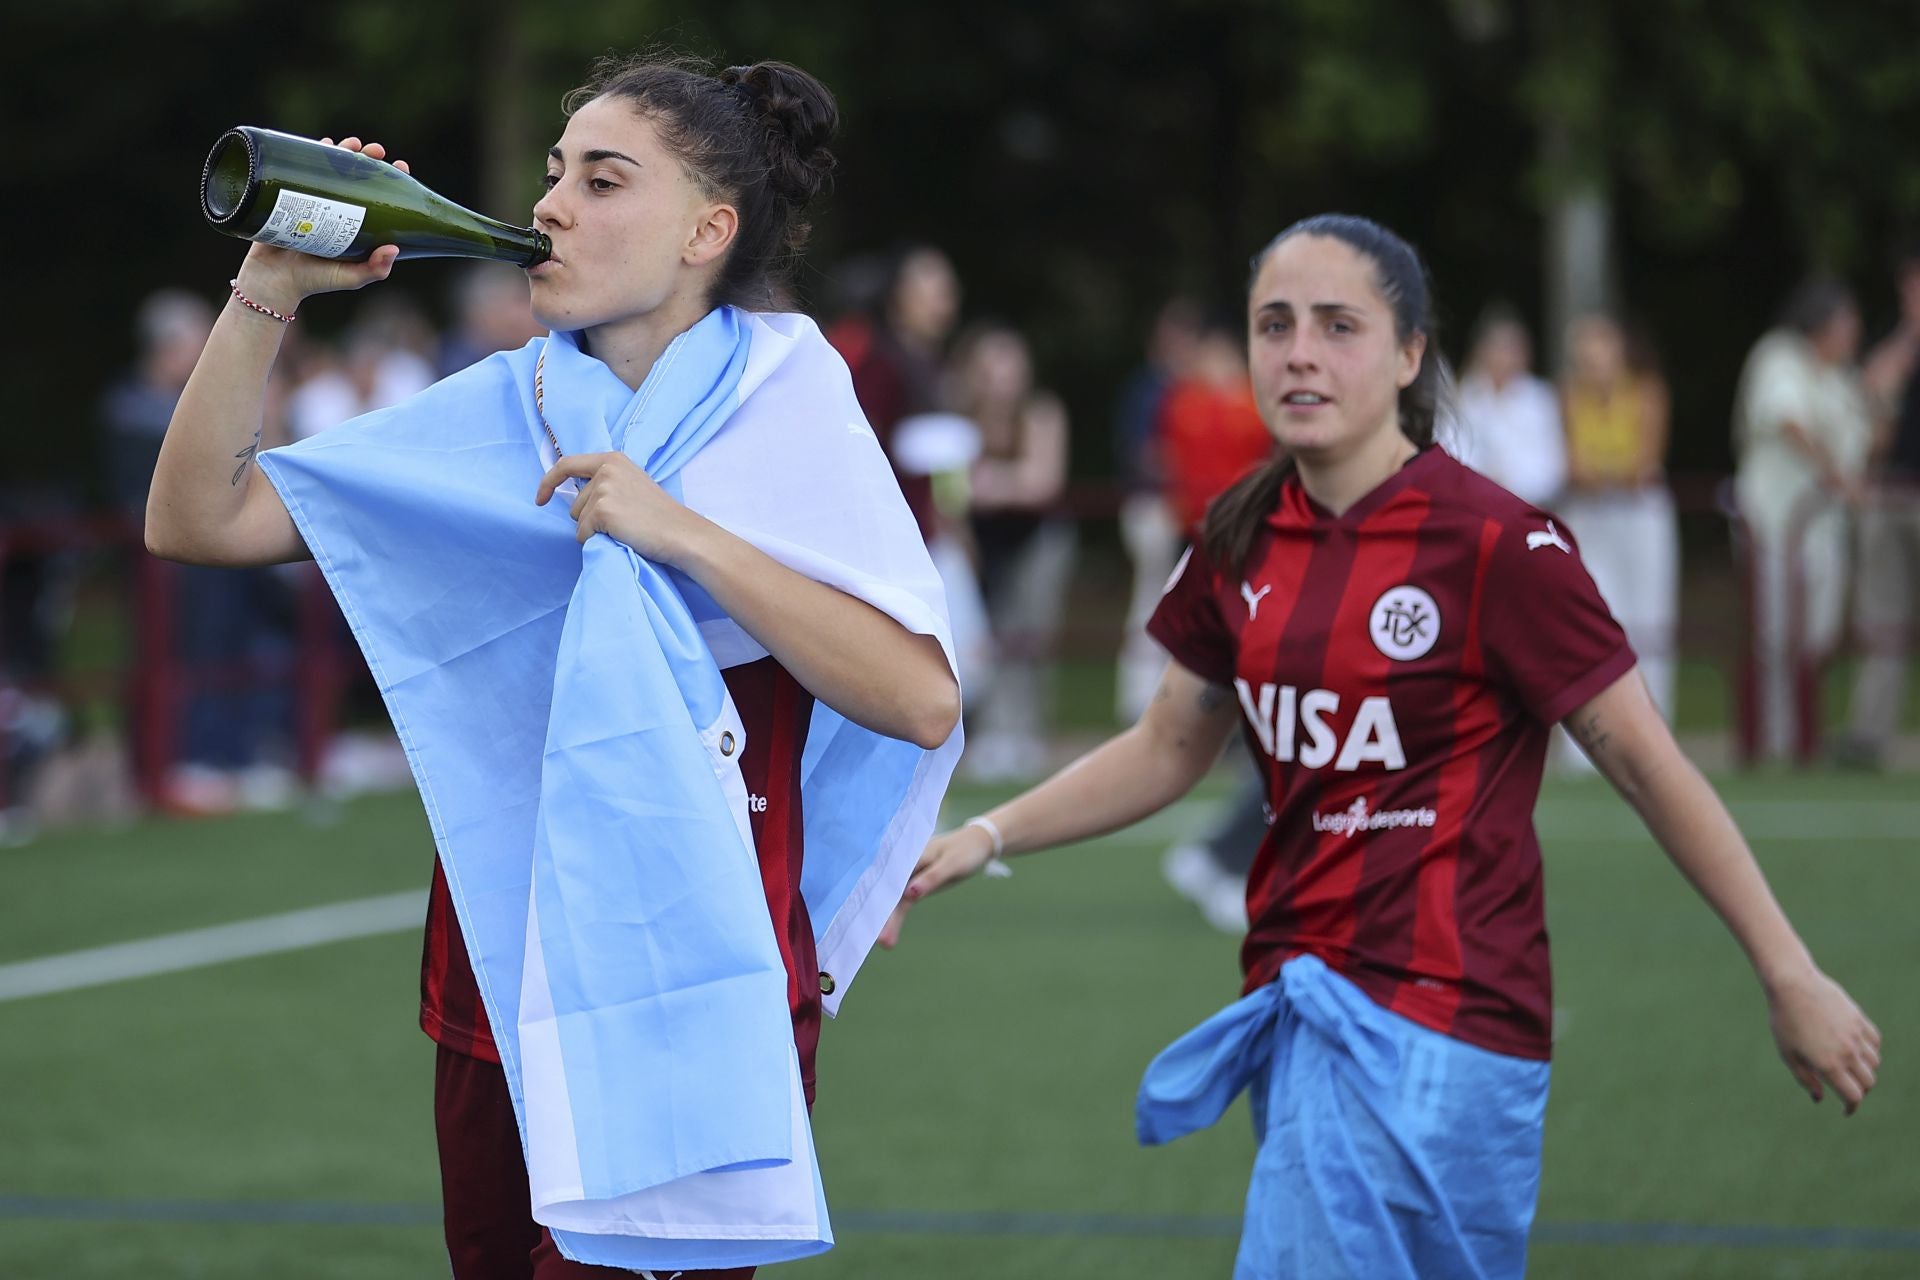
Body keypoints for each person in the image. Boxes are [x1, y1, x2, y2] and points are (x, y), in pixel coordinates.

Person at [881, 214, 1880, 1280]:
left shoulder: (1502, 543)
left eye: (1337, 325)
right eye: (1275, 323)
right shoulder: (1238, 534)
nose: (1299, 351)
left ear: (1410, 354)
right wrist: (985, 831)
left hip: (1461, 1027)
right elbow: (1168, 743)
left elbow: (1647, 760)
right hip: (1310, 1019)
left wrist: (1789, 969)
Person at [146, 53, 962, 1279]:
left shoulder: (791, 396)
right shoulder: (502, 405)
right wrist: (271, 285)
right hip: (497, 969)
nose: (551, 207)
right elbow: (198, 520)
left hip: (696, 975)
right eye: (552, 174)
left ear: (707, 229)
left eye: (602, 178)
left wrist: (678, 529)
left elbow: (918, 694)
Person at [1732, 278, 1872, 763]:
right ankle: (1776, 743)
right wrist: (1834, 472)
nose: (1853, 332)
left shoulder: (1839, 377)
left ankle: (1804, 737)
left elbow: (1862, 437)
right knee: (1774, 634)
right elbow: (1786, 419)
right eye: (1846, 322)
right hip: (1773, 520)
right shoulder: (1778, 356)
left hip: (1823, 528)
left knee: (1819, 635)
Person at [952, 322, 1075, 781]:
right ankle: (982, 733)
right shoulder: (960, 415)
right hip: (980, 541)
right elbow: (951, 488)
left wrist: (989, 483)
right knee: (980, 635)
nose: (1002, 377)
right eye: (992, 366)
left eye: (1010, 365)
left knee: (1028, 631)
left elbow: (1043, 481)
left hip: (1038, 539)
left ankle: (1023, 732)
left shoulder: (1041, 413)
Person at [1557, 312, 1679, 736]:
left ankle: (1653, 724)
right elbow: (1574, 466)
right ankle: (1595, 731)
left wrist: (1603, 474)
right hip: (1592, 514)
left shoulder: (1645, 392)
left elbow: (1643, 465)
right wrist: (1609, 475)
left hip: (1638, 514)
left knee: (1649, 613)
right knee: (1595, 610)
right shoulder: (1571, 396)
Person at [1837, 244, 1920, 767]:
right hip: (1893, 494)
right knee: (1881, 616)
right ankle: (1869, 734)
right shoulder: (1900, 347)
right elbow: (1872, 389)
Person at [1111, 297, 1202, 722]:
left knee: (1185, 605)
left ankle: (1180, 701)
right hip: (1155, 506)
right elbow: (1143, 453)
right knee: (1151, 602)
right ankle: (1139, 704)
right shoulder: (1149, 388)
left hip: (1190, 509)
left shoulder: (1196, 388)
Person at [1447, 303, 1565, 506]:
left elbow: (1553, 467)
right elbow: (1453, 454)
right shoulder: (1463, 396)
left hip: (1529, 506)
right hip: (1474, 507)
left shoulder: (1540, 398)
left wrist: (1509, 485)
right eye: (1497, 347)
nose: (1504, 357)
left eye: (1511, 348)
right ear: (1481, 350)